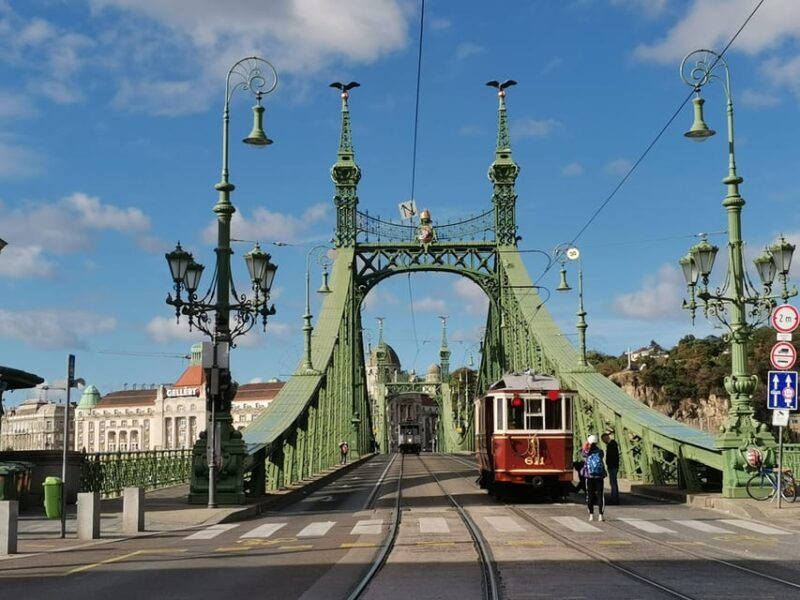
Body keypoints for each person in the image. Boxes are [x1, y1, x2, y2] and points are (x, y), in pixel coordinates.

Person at [581, 434, 606, 522]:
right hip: (599, 476)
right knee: (600, 495)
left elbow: (583, 454)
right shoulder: (600, 451)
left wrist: (586, 445)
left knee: (590, 495)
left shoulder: (586, 452)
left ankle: (591, 515)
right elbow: (601, 457)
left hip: (589, 476)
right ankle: (600, 515)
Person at [602, 431, 620, 504]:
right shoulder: (612, 444)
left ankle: (614, 499)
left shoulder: (611, 444)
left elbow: (612, 456)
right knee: (613, 482)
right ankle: (614, 498)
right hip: (613, 466)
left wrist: (609, 464)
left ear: (606, 437)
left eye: (603, 440)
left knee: (613, 483)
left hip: (613, 466)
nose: (603, 442)